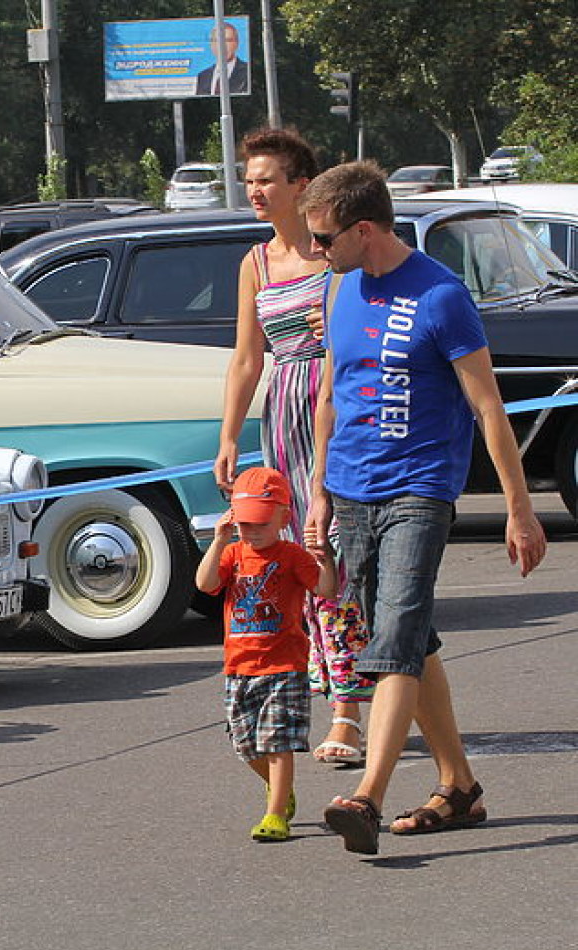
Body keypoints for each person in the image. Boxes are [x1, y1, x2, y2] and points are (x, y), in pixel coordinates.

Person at [301, 160, 548, 855]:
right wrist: (319, 492)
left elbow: (487, 404)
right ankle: (458, 784)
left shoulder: (440, 296)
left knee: (396, 635)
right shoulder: (339, 287)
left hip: (420, 489)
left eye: (324, 238)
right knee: (410, 636)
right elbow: (331, 396)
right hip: (353, 490)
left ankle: (367, 796)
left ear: (366, 229)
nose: (317, 251)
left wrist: (519, 509)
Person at [214, 127, 372, 769]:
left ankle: (348, 709)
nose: (254, 189)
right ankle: (309, 696)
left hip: (334, 407)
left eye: (266, 179)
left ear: (300, 186)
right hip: (281, 411)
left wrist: (335, 323)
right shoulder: (254, 263)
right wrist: (229, 435)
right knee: (285, 559)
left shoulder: (332, 255)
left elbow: (362, 331)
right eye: (249, 179)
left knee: (327, 550)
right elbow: (248, 358)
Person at [196, 466, 339, 843]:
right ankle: (281, 789)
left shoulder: (291, 555)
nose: (252, 531)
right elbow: (205, 583)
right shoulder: (232, 553)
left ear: (282, 517)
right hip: (239, 667)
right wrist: (219, 540)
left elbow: (325, 589)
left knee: (277, 741)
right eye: (245, 523)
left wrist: (322, 556)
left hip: (284, 665)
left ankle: (276, 813)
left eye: (260, 523)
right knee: (244, 744)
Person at [193, 21, 249, 96]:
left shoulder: (247, 71)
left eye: (228, 40)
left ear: (236, 43)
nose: (223, 46)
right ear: (212, 45)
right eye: (217, 41)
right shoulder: (203, 76)